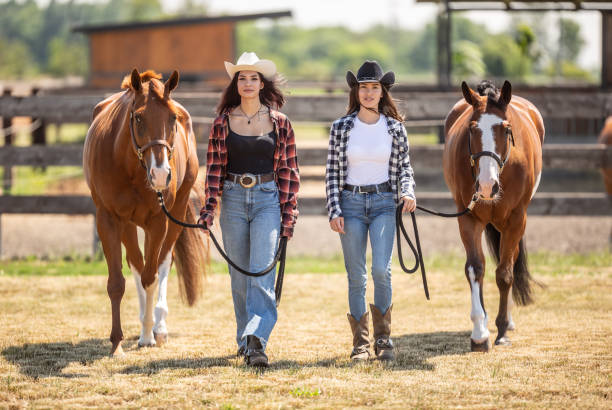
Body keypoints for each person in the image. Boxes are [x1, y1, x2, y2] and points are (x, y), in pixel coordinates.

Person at [198, 52, 300, 367]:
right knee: (239, 275)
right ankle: (245, 338)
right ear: (236, 84)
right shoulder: (222, 123)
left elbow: (289, 172)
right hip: (233, 198)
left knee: (261, 271)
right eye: (242, 78)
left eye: (253, 78)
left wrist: (289, 213)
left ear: (262, 83)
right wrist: (208, 209)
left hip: (269, 198)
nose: (247, 83)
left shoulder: (280, 123)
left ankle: (257, 340)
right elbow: (214, 170)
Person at [325, 60, 416, 361]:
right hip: (350, 204)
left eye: (374, 87)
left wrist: (408, 192)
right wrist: (334, 209)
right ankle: (361, 344)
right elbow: (332, 173)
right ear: (357, 91)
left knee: (381, 270)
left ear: (382, 91)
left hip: (382, 203)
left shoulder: (394, 128)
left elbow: (404, 168)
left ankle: (384, 339)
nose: (368, 93)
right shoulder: (341, 128)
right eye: (363, 87)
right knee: (356, 276)